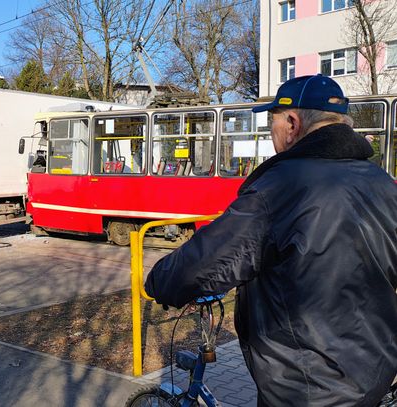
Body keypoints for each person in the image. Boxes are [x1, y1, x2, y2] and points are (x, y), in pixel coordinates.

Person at [145, 74, 397, 406]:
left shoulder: (284, 186)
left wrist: (162, 281)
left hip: (307, 388)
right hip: (374, 375)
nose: (270, 130)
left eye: (272, 120)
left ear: (292, 123)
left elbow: (209, 260)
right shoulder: (381, 181)